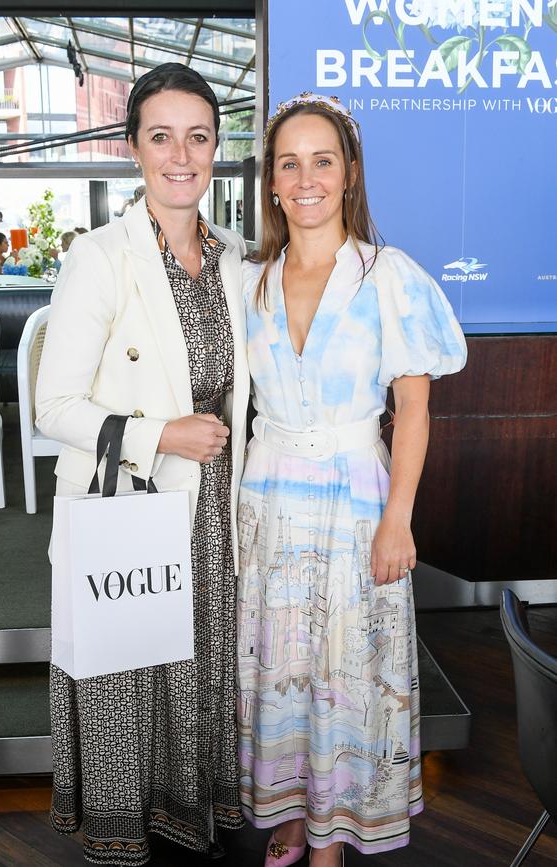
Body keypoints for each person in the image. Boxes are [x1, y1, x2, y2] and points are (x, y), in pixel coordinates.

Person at [237, 93, 467, 867]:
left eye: (322, 160)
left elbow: (414, 405)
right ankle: (293, 812)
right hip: (267, 500)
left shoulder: (387, 275)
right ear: (270, 180)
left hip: (354, 500)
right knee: (283, 664)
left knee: (348, 670)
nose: (305, 178)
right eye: (289, 162)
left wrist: (397, 518)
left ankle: (333, 831)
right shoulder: (252, 282)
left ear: (349, 174)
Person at [35, 62, 250, 865]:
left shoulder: (235, 257)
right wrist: (160, 433)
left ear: (216, 147)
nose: (181, 155)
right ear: (133, 149)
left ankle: (191, 813)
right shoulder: (101, 256)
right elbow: (52, 407)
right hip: (133, 505)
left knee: (194, 665)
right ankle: (129, 823)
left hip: (209, 510)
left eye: (198, 136)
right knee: (132, 671)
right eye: (161, 137)